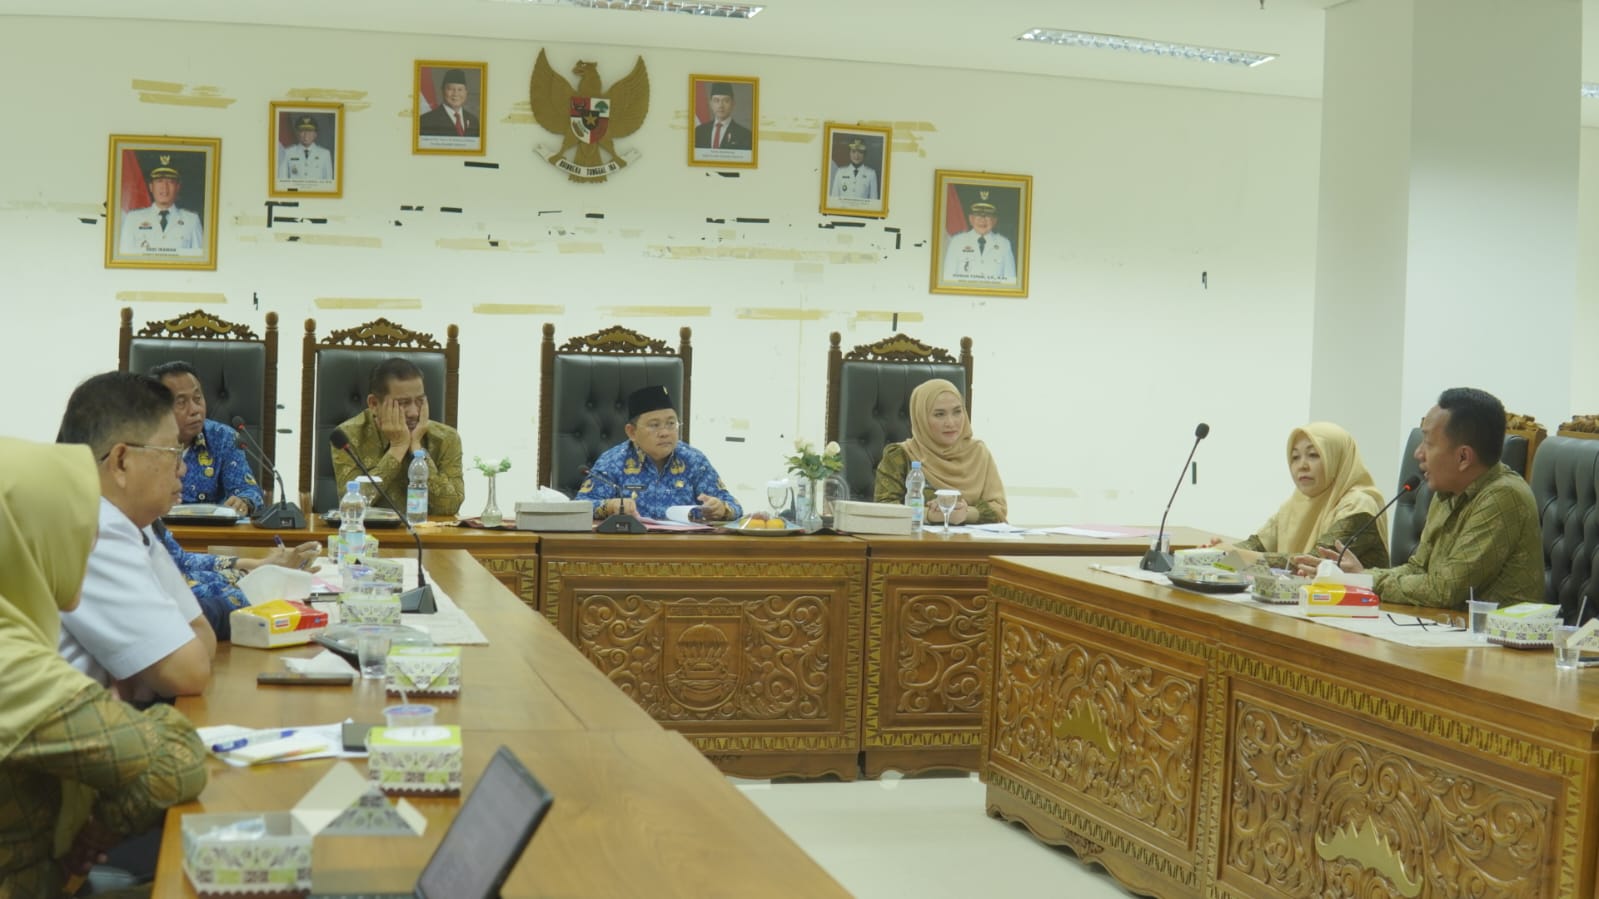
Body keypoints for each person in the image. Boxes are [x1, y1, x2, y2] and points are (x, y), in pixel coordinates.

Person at [0, 438, 207, 896]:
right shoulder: (12, 668)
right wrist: (102, 828)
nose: (92, 544)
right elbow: (177, 761)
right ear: (26, 536)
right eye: (77, 528)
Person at [1301, 388, 1543, 609]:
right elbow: (1418, 568)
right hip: (1445, 627)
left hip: (1495, 640)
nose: (1418, 453)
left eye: (1427, 443)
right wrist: (1361, 577)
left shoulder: (1503, 496)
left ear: (1463, 457)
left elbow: (1444, 590)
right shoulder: (1447, 491)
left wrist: (1366, 581)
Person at [55, 371, 216, 700]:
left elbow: (203, 637)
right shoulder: (91, 528)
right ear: (121, 461)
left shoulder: (130, 523)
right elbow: (190, 671)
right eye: (172, 452)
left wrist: (140, 676)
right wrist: (148, 675)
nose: (182, 468)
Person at [1210, 422, 1390, 571]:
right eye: (1295, 457)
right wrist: (1221, 553)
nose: (1302, 465)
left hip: (1356, 603)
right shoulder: (1294, 505)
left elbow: (1312, 563)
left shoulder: (1359, 505)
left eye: (1313, 455)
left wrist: (1240, 555)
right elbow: (1257, 545)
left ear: (1337, 459)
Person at [576, 385, 741, 521]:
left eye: (671, 423)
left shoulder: (694, 460)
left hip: (684, 547)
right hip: (630, 546)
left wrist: (721, 509)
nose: (665, 433)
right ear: (631, 432)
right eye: (654, 425)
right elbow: (580, 507)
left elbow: (735, 507)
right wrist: (610, 506)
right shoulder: (612, 462)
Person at [331, 357, 465, 516]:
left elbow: (450, 507)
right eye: (403, 403)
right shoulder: (348, 436)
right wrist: (397, 448)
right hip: (369, 531)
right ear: (374, 404)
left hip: (426, 530)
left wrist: (416, 448)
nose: (414, 412)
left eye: (420, 401)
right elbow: (350, 506)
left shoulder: (446, 438)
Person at [873, 378, 1007, 524]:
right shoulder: (900, 455)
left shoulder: (978, 452)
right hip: (916, 538)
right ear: (921, 418)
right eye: (939, 414)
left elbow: (999, 509)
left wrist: (965, 514)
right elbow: (884, 509)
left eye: (957, 412)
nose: (951, 423)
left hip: (970, 538)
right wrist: (929, 515)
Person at [149, 361, 264, 515]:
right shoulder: (141, 441)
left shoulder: (223, 438)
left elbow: (249, 491)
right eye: (181, 402)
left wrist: (244, 502)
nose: (195, 410)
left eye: (197, 399)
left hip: (209, 529)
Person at [117, 158, 205, 257]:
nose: (164, 187)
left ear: (178, 187)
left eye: (170, 182)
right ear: (151, 187)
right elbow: (125, 259)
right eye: (159, 181)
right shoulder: (133, 219)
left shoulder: (192, 221)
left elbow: (199, 260)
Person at [941, 194, 1015, 283]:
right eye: (978, 215)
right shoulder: (957, 242)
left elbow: (1010, 281)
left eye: (987, 215)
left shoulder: (1004, 244)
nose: (982, 220)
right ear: (971, 219)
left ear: (994, 220)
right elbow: (948, 278)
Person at [419, 68, 480, 137]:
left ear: (466, 92)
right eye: (450, 89)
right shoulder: (426, 120)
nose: (455, 94)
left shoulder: (474, 121)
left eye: (460, 89)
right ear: (442, 91)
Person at [693, 82, 752, 151]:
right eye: (716, 100)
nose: (720, 105)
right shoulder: (699, 131)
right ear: (710, 104)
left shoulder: (745, 135)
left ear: (733, 104)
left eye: (726, 101)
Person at [277, 115, 333, 181]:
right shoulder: (287, 152)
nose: (306, 135)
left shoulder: (325, 154)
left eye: (310, 131)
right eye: (302, 131)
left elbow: (328, 182)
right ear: (297, 133)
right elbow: (282, 180)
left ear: (315, 134)